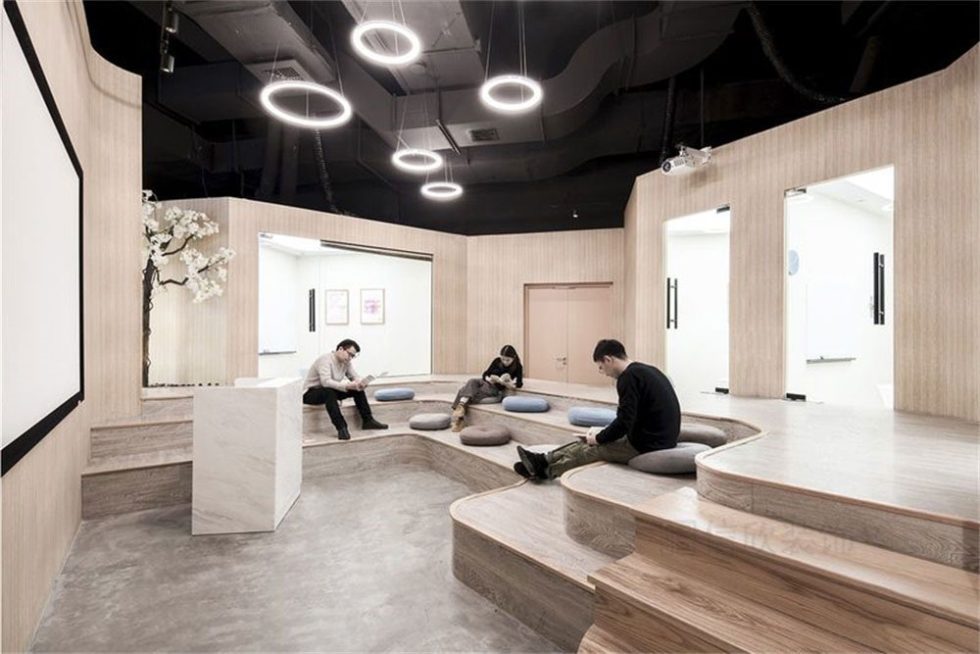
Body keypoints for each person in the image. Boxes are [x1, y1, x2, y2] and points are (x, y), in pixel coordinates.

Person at [514, 339, 680, 480]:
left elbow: (624, 421)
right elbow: (629, 418)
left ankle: (545, 472)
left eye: (601, 367)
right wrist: (598, 436)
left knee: (596, 449)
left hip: (650, 443)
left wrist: (599, 438)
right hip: (659, 436)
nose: (603, 372)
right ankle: (542, 459)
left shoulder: (628, 378)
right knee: (588, 441)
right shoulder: (646, 370)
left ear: (608, 360)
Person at [302, 339, 388, 440]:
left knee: (357, 390)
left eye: (353, 356)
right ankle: (341, 427)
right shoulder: (325, 360)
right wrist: (346, 386)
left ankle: (368, 420)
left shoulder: (346, 362)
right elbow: (326, 382)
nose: (350, 358)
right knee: (328, 392)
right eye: (349, 354)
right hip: (311, 393)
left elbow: (354, 376)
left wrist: (360, 383)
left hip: (330, 390)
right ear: (341, 349)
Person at [451, 345, 524, 432]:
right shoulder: (497, 361)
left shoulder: (518, 366)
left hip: (494, 389)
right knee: (472, 381)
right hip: (485, 382)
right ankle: (461, 409)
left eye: (508, 360)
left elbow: (519, 384)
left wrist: (507, 383)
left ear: (514, 357)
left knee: (462, 391)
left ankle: (460, 417)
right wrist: (490, 378)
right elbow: (485, 374)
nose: (505, 362)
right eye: (503, 359)